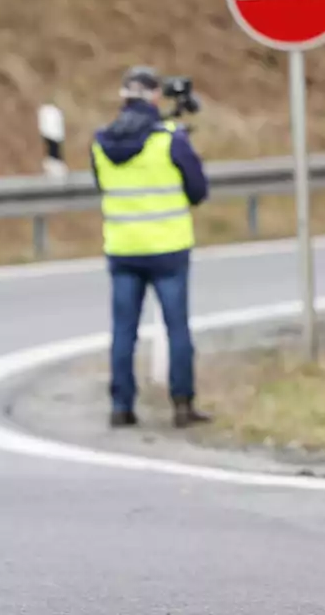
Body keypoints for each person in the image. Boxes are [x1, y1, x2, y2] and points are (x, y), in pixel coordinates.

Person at [90, 66, 211, 429]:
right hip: (169, 249)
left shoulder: (101, 141)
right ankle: (183, 405)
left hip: (123, 248)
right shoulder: (170, 138)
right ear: (155, 97)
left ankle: (121, 407)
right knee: (177, 328)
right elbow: (198, 191)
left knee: (124, 331)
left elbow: (102, 187)